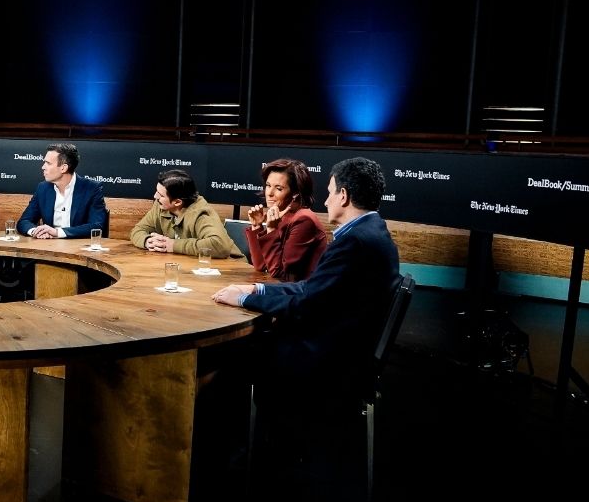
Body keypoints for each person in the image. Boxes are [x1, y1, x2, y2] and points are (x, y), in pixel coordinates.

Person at [212, 156, 400, 419]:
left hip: (329, 357)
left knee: (231, 354)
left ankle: (249, 435)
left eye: (330, 193)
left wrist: (244, 300)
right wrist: (258, 290)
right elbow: (312, 288)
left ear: (344, 196)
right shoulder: (372, 231)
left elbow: (304, 302)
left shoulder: (355, 242)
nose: (326, 201)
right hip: (344, 343)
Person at [244, 158, 328, 281]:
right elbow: (261, 265)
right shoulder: (282, 215)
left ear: (295, 193)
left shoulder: (304, 220)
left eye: (279, 188)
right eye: (268, 185)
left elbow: (280, 274)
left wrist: (271, 229)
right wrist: (257, 226)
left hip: (303, 291)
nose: (269, 193)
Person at [130, 169, 243, 259]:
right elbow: (138, 230)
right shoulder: (161, 205)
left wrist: (173, 245)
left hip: (230, 268)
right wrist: (148, 241)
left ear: (177, 202)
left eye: (161, 195)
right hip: (189, 265)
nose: (155, 196)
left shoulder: (201, 214)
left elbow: (220, 245)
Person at [19, 143, 108, 239]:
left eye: (48, 163)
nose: (43, 167)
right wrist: (36, 232)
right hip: (49, 245)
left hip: (78, 246)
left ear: (63, 168)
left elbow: (97, 226)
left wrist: (57, 232)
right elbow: (24, 221)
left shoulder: (91, 188)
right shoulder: (43, 188)